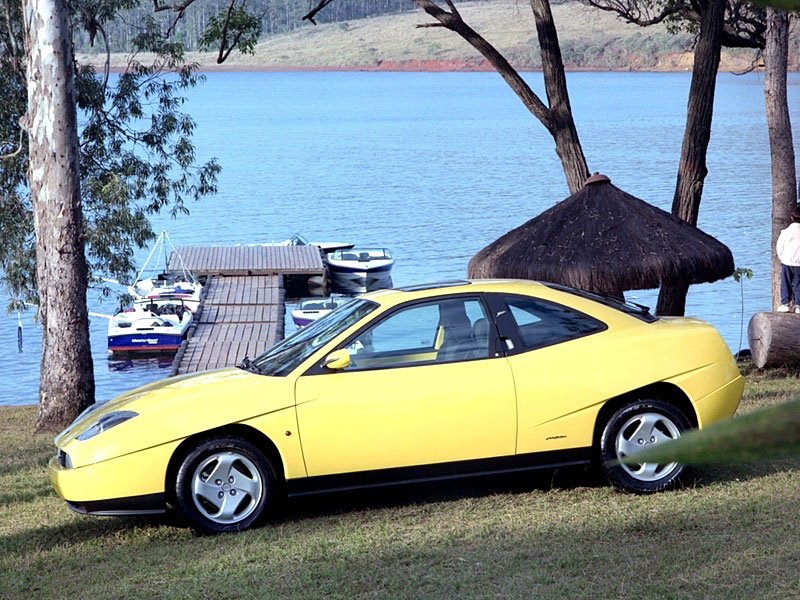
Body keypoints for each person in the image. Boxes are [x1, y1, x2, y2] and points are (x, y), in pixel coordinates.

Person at [776, 206, 800, 312]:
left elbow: (779, 247)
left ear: (791, 218)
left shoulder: (785, 232)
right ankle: (798, 305)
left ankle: (785, 303)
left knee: (786, 283)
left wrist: (782, 257)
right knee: (798, 284)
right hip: (799, 262)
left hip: (787, 260)